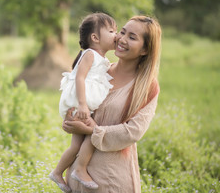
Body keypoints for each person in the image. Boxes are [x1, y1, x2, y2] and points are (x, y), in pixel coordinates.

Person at [62, 15, 162, 193]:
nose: (121, 39)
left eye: (132, 37)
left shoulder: (146, 87)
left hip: (111, 181)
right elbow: (76, 103)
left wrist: (93, 130)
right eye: (121, 32)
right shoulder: (98, 71)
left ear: (145, 50)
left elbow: (133, 131)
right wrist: (70, 120)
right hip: (77, 182)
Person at [49, 12, 117, 193]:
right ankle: (80, 168)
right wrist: (82, 105)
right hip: (78, 106)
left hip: (81, 107)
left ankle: (57, 172)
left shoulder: (102, 59)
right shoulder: (90, 55)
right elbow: (80, 78)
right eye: (111, 31)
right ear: (95, 37)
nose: (116, 35)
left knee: (76, 145)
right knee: (94, 134)